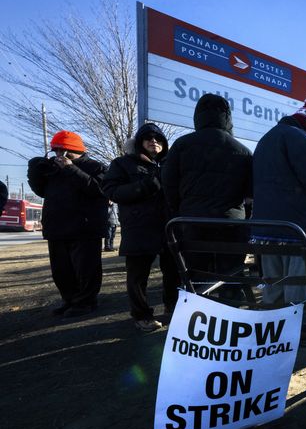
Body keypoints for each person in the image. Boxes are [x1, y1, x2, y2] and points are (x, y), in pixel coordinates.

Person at [161, 94, 252, 276]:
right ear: (227, 118)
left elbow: (168, 184)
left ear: (197, 116)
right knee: (231, 275)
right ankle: (230, 300)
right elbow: (250, 194)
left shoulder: (181, 145)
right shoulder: (243, 151)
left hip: (193, 222)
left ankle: (199, 304)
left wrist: (180, 210)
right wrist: (242, 217)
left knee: (197, 276)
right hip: (231, 225)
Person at [102, 124, 181, 332]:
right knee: (138, 276)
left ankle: (172, 309)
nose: (154, 141)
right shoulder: (122, 163)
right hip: (139, 227)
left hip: (169, 227)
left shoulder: (171, 163)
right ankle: (141, 315)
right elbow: (111, 191)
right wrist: (146, 186)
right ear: (139, 142)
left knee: (173, 272)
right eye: (148, 138)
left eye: (158, 139)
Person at [251, 96, 306, 305]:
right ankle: (297, 332)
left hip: (265, 229)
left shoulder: (265, 140)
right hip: (296, 229)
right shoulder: (300, 138)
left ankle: (270, 332)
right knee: (297, 287)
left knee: (273, 286)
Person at [27, 130, 107, 317]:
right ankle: (69, 300)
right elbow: (41, 191)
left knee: (86, 269)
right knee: (61, 270)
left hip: (85, 229)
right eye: (56, 151)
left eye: (63, 151)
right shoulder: (53, 168)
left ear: (74, 149)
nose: (59, 155)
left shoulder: (95, 166)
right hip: (56, 227)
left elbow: (99, 190)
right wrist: (35, 171)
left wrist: (71, 168)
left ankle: (86, 302)